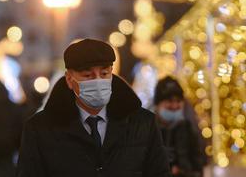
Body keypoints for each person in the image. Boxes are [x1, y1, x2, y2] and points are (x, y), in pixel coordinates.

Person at [16, 38, 170, 177]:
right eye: (88, 76)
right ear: (69, 79)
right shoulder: (40, 129)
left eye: (104, 74)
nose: (98, 82)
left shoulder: (142, 123)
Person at [154, 76, 207, 177]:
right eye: (169, 101)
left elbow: (198, 164)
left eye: (178, 101)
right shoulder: (148, 131)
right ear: (158, 104)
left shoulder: (189, 129)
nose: (174, 106)